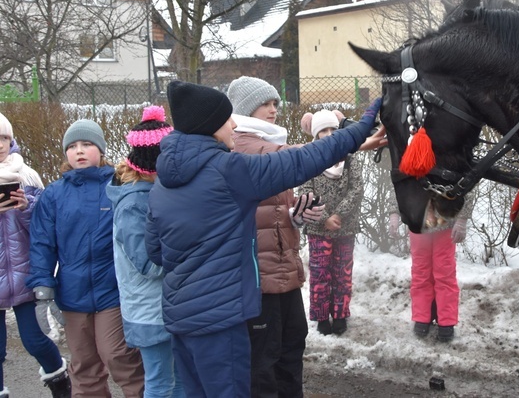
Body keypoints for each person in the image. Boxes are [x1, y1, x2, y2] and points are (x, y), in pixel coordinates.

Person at [145, 80, 381, 398]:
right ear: (211, 127)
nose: (233, 123)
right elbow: (302, 160)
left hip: (180, 319)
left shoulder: (163, 183)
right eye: (227, 118)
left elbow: (156, 251)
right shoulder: (229, 170)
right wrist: (363, 125)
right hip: (221, 319)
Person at [27, 119, 145, 397]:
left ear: (101, 150)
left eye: (87, 144)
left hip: (112, 290)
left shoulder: (118, 186)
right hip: (72, 292)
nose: (79, 151)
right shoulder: (54, 194)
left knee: (118, 355)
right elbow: (42, 243)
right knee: (84, 364)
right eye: (73, 146)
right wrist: (43, 286)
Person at [225, 76, 322, 398]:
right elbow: (289, 156)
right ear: (246, 109)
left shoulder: (269, 143)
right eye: (265, 103)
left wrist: (294, 215)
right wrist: (348, 139)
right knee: (264, 359)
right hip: (258, 276)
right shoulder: (244, 146)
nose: (273, 110)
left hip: (282, 268)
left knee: (292, 344)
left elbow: (271, 211)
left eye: (275, 103)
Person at [106, 106, 185, 398]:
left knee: (182, 381)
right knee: (162, 382)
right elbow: (149, 265)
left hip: (169, 306)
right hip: (151, 312)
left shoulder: (155, 195)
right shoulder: (134, 205)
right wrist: (188, 250)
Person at [0, 113, 71, 398]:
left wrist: (25, 207)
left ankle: (60, 379)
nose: (0, 144)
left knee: (35, 340)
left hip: (23, 273)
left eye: (4, 138)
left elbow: (44, 226)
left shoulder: (26, 174)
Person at [299, 109, 364, 336]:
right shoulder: (309, 159)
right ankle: (320, 315)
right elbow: (306, 191)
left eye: (332, 130)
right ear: (316, 135)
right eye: (323, 131)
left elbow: (356, 189)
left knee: (342, 272)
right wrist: (325, 218)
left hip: (345, 227)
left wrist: (339, 215)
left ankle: (340, 314)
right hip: (318, 229)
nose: (328, 134)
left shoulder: (350, 158)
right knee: (320, 273)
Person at [389, 194, 474, 343]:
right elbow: (400, 181)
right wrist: (394, 213)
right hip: (418, 221)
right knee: (420, 273)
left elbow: (468, 183)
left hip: (446, 220)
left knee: (444, 273)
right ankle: (422, 317)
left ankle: (446, 321)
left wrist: (462, 218)